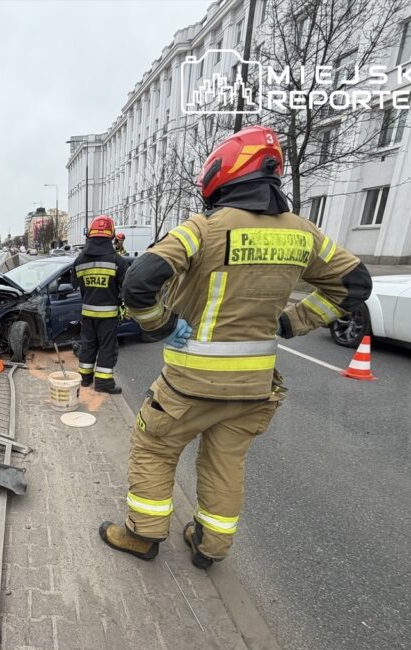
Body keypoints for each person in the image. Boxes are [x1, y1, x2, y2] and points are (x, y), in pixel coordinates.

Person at [98, 125, 372, 569]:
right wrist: (293, 321)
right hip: (254, 388)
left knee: (155, 448)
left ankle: (142, 534)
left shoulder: (204, 229)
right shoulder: (304, 234)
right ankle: (209, 547)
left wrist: (162, 326)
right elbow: (354, 284)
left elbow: (139, 281)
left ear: (222, 173)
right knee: (225, 463)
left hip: (189, 385)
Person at [70, 214, 128, 394]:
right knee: (106, 348)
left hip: (88, 314)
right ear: (111, 235)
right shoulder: (118, 261)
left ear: (89, 234)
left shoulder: (80, 260)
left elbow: (74, 284)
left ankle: (85, 378)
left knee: (88, 345)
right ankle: (103, 383)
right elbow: (125, 289)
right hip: (108, 316)